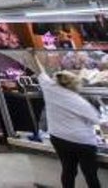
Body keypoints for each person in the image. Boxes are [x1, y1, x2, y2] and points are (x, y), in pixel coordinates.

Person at [35, 59, 106, 188]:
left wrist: (33, 55)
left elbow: (40, 71)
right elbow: (99, 122)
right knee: (90, 173)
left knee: (68, 170)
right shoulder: (79, 102)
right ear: (75, 85)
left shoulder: (50, 89)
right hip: (82, 142)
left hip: (58, 138)